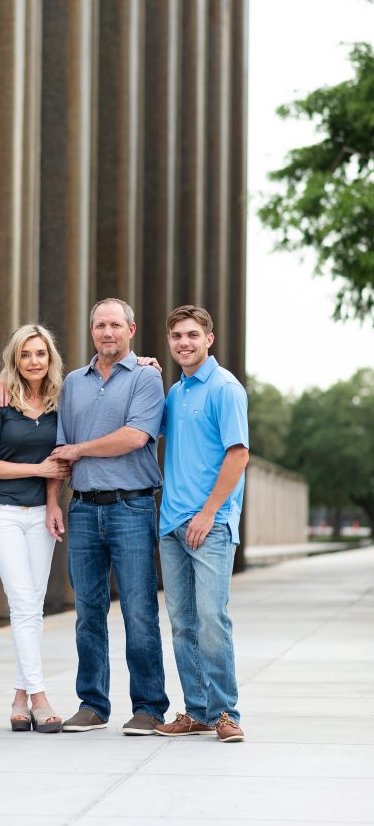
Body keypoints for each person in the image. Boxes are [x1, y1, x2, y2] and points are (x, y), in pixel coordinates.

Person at [46, 298, 169, 735]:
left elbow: (136, 437)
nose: (107, 332)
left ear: (131, 330)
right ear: (91, 330)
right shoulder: (73, 384)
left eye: (115, 324)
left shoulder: (147, 377)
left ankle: (150, 706)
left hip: (132, 507)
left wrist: (81, 449)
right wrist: (52, 503)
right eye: (100, 325)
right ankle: (93, 703)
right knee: (88, 612)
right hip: (82, 510)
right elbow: (59, 449)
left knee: (138, 610)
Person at [154, 305, 249, 743]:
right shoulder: (176, 392)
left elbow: (238, 454)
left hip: (210, 525)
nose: (184, 343)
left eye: (192, 335)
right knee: (182, 623)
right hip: (172, 524)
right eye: (176, 336)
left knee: (212, 618)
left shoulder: (224, 388)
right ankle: (197, 711)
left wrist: (209, 512)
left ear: (209, 339)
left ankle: (226, 712)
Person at [0, 325, 70, 733]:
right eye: (26, 354)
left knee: (33, 603)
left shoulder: (58, 403)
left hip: (40, 515)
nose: (34, 361)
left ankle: (18, 699)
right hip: (1, 512)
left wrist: (52, 503)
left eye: (41, 354)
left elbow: (60, 462)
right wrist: (37, 469)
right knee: (23, 602)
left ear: (50, 359)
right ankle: (40, 696)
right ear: (14, 359)